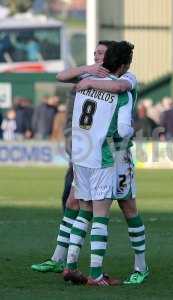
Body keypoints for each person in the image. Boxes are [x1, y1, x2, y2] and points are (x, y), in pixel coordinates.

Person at [31, 41, 148, 286]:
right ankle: (90, 271)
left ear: (109, 59)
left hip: (89, 155)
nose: (97, 57)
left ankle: (75, 264)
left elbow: (115, 84)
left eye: (101, 54)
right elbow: (124, 129)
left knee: (98, 207)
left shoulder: (101, 81)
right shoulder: (110, 87)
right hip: (108, 152)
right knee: (102, 210)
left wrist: (89, 82)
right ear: (125, 62)